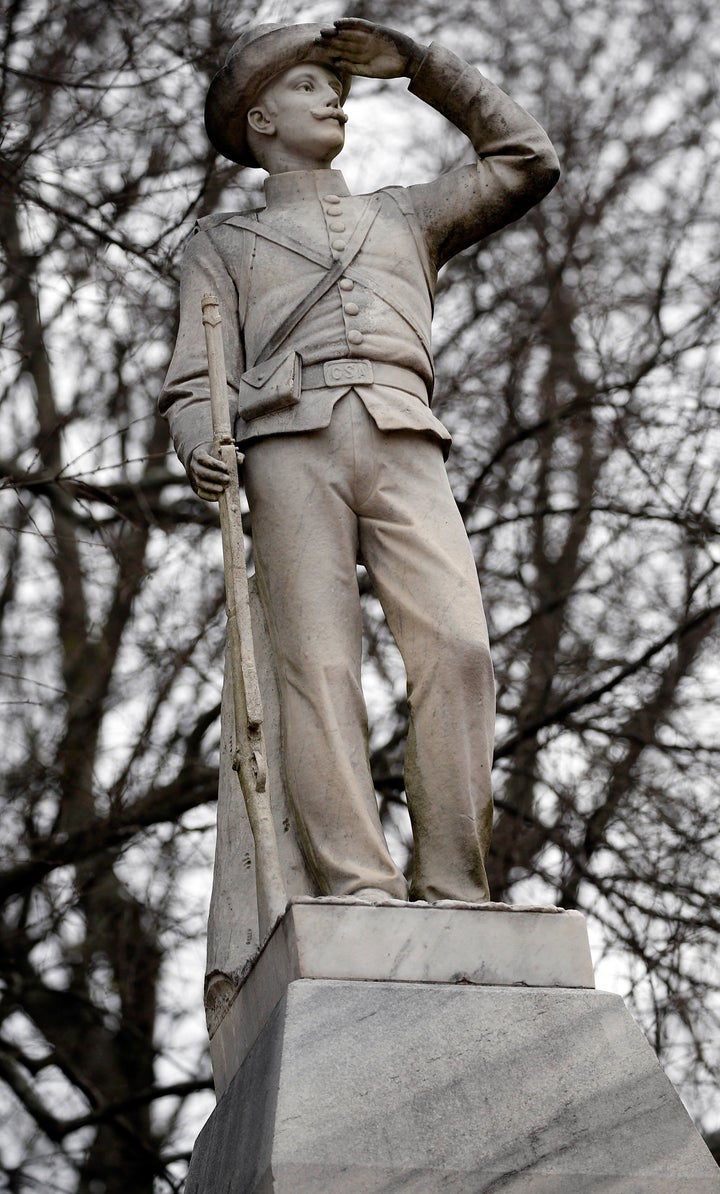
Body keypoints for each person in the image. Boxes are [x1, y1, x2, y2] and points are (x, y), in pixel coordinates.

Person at [160, 18, 559, 906]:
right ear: (258, 121)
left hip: (404, 435)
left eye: (330, 85)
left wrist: (423, 67)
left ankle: (457, 884)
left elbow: (528, 159)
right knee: (319, 667)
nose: (331, 96)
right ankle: (359, 887)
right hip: (286, 449)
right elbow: (194, 385)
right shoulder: (221, 248)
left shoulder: (405, 216)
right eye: (304, 86)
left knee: (459, 650)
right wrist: (201, 445)